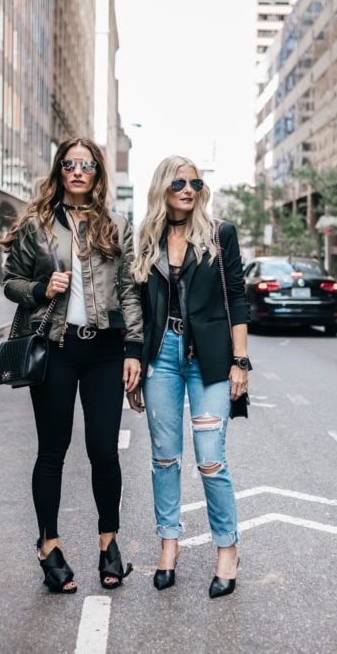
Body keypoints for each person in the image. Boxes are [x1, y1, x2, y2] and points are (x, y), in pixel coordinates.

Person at [0, 137, 143, 594]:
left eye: (86, 165)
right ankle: (49, 544)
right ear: (60, 170)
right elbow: (10, 283)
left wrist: (134, 348)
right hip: (57, 350)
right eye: (70, 164)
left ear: (98, 173)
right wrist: (42, 288)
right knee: (53, 450)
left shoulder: (116, 224)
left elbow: (127, 291)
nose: (78, 171)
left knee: (104, 450)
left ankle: (109, 543)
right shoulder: (37, 225)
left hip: (103, 351)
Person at [127, 155, 250, 599]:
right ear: (163, 186)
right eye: (179, 181)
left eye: (195, 182)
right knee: (163, 457)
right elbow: (137, 306)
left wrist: (241, 361)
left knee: (210, 457)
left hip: (210, 358)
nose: (188, 188)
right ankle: (169, 545)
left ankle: (227, 548)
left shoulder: (220, 235)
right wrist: (134, 359)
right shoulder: (147, 238)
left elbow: (237, 297)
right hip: (162, 354)